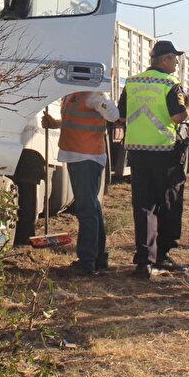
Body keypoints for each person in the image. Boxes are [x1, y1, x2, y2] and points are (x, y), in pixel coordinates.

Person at [117, 40, 189, 279]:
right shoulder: (170, 84)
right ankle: (162, 255)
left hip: (137, 151)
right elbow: (177, 117)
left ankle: (145, 260)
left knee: (143, 205)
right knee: (168, 203)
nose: (176, 63)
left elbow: (121, 116)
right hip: (164, 152)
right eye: (174, 58)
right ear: (164, 59)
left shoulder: (132, 83)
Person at [42, 91, 120, 276]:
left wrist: (103, 97)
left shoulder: (93, 95)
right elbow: (76, 122)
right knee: (92, 207)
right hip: (76, 155)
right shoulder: (72, 94)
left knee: (87, 209)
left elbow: (113, 115)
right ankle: (98, 258)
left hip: (87, 157)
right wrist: (56, 124)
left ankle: (87, 262)